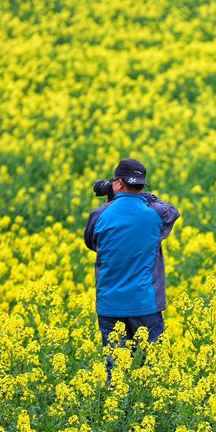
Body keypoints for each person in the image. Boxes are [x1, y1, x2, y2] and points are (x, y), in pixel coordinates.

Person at [84, 158, 180, 383]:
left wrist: (113, 199)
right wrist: (147, 198)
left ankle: (115, 413)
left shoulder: (100, 215)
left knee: (115, 369)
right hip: (145, 304)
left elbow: (92, 242)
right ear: (142, 186)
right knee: (152, 366)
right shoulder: (155, 214)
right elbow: (171, 211)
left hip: (111, 304)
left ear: (117, 184)